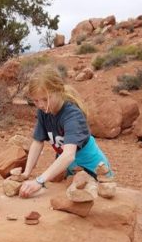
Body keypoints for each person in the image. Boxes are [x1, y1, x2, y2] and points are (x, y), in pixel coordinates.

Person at [19, 65, 112, 198]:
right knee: (67, 197)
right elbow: (38, 142)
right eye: (36, 100)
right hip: (69, 166)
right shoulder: (44, 111)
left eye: (45, 99)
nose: (40, 105)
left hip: (91, 165)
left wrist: (39, 180)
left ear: (59, 90)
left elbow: (69, 155)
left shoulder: (72, 115)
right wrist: (26, 173)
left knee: (92, 203)